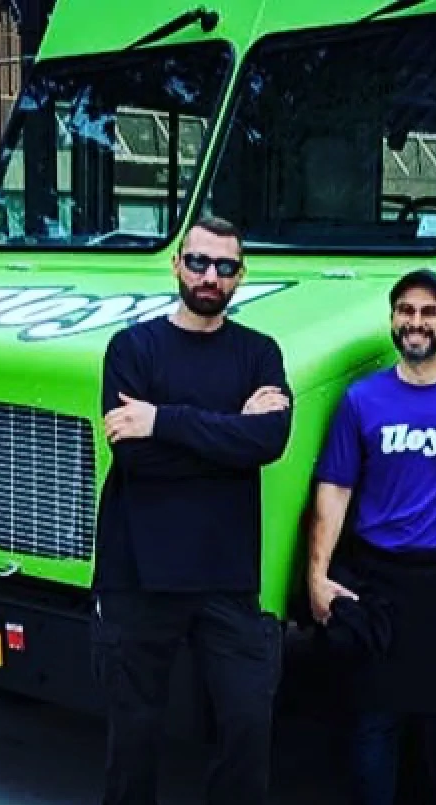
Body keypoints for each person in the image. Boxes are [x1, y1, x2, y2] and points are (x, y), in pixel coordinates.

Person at [93, 216, 293, 805]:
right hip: (139, 576)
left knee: (248, 727)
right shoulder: (133, 348)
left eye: (225, 267)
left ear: (241, 275)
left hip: (226, 579)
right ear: (176, 264)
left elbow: (269, 442)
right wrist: (231, 435)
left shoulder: (259, 352)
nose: (210, 276)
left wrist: (162, 420)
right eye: (199, 262)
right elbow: (136, 459)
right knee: (133, 740)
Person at [307, 268, 436, 805]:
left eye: (429, 313)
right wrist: (318, 576)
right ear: (393, 319)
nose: (416, 322)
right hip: (377, 579)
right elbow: (335, 489)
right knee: (374, 722)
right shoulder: (361, 400)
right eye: (406, 311)